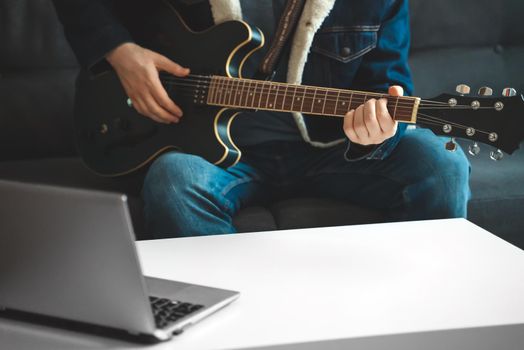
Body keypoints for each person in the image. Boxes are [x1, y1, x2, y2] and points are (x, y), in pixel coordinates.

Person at [52, 0, 470, 238]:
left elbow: (387, 85)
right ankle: (224, 324)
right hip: (212, 153)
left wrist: (372, 132)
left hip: (331, 151)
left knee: (442, 164)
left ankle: (418, 310)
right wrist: (120, 52)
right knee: (173, 178)